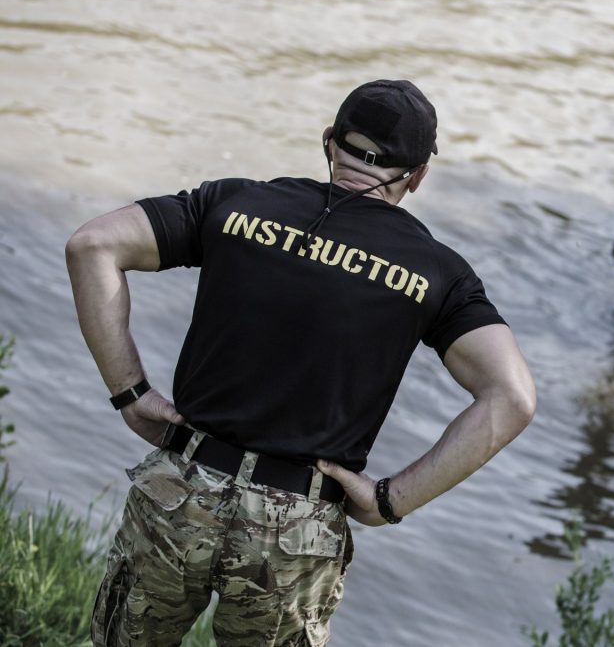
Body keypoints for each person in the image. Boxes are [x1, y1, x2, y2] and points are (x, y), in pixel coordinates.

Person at [66, 79, 537, 646]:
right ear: (417, 176)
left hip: (180, 491)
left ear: (329, 141)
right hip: (297, 528)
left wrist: (130, 393)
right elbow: (511, 399)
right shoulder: (438, 273)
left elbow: (93, 246)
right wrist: (390, 500)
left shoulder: (235, 204)